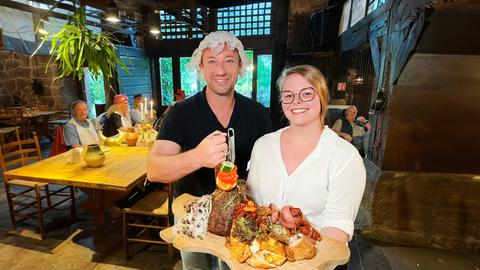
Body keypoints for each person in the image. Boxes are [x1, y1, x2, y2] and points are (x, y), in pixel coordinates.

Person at [147, 31, 272, 270]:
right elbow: (154, 170)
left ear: (240, 67)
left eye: (228, 60)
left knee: (234, 266)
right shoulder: (180, 113)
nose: (221, 70)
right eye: (212, 61)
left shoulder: (258, 114)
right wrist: (198, 156)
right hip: (190, 211)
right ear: (201, 67)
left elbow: (268, 166)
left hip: (238, 212)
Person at [247, 65, 366, 244]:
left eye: (307, 93)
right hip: (260, 256)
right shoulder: (263, 146)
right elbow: (252, 202)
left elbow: (337, 230)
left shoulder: (345, 157)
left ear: (322, 97)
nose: (296, 101)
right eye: (288, 95)